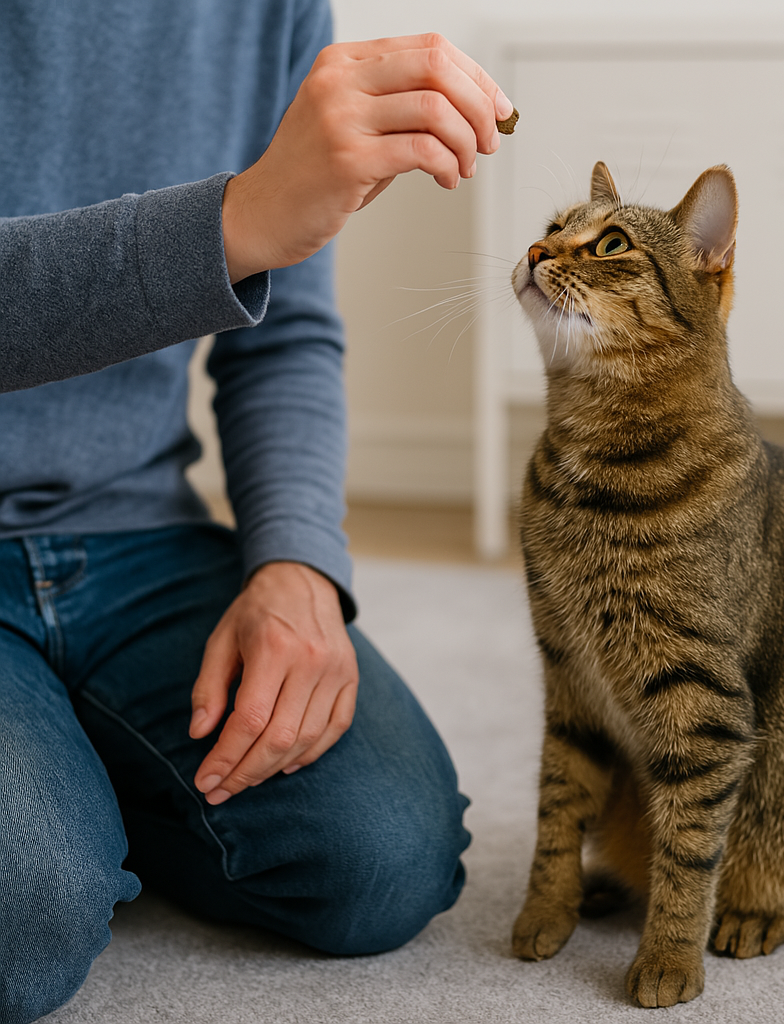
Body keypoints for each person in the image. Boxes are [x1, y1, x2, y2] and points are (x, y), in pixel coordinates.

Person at [0, 3, 513, 1021]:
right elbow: (248, 230)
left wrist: (297, 565)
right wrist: (237, 218)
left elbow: (282, 337)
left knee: (382, 860)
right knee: (29, 922)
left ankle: (70, 765)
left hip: (137, 531)